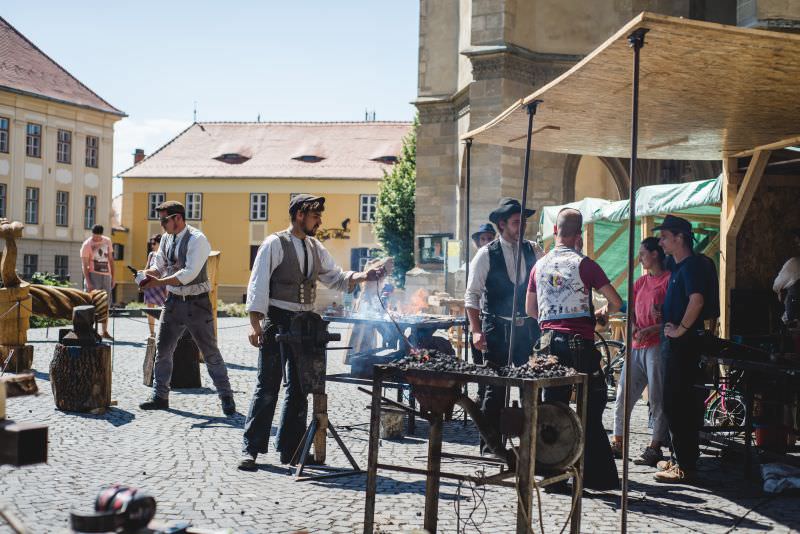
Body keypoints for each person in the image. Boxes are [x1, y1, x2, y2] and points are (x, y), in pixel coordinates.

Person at [239, 194, 384, 470]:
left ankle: (291, 450)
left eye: (319, 216)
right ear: (299, 215)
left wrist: (365, 276)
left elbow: (336, 277)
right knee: (267, 386)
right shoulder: (274, 243)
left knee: (299, 389)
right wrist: (255, 324)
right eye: (315, 216)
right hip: (277, 320)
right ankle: (251, 449)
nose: (319, 221)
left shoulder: (315, 247)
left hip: (304, 323)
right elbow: (258, 284)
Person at [526, 208, 621, 491]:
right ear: (578, 236)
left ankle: (552, 473)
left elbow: (531, 309)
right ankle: (596, 476)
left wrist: (554, 316)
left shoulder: (539, 266)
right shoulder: (585, 265)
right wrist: (601, 313)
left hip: (548, 344)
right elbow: (615, 301)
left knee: (553, 407)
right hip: (579, 343)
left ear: (555, 232)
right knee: (590, 406)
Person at [137, 201, 235, 417]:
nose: (161, 224)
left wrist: (157, 283)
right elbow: (160, 265)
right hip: (173, 301)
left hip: (197, 303)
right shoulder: (166, 238)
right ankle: (160, 396)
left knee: (210, 353)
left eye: (164, 220)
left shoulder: (198, 240)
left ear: (178, 218)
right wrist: (147, 274)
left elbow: (188, 274)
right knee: (163, 350)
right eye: (161, 220)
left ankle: (226, 397)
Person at [465, 198, 542, 456]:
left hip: (527, 330)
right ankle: (490, 445)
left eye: (523, 222)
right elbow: (472, 295)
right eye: (516, 222)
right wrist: (476, 330)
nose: (522, 227)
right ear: (502, 224)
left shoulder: (534, 250)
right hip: (496, 329)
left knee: (530, 386)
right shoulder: (486, 254)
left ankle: (532, 444)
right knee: (494, 389)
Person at [654, 215, 707, 483]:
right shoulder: (677, 267)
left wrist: (680, 330)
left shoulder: (691, 267)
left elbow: (697, 301)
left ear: (679, 238)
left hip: (683, 345)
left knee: (679, 403)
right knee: (673, 402)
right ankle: (679, 458)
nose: (660, 242)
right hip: (674, 344)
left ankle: (685, 465)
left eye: (664, 237)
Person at [610, 237, 670, 467]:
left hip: (656, 347)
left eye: (643, 253)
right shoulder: (640, 283)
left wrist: (654, 328)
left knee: (657, 397)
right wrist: (634, 326)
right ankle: (618, 442)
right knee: (623, 393)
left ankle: (655, 446)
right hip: (636, 347)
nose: (640, 258)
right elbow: (632, 313)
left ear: (655, 254)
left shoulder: (668, 281)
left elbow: (672, 317)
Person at [469, 222, 496, 400]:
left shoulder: (496, 258)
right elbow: (471, 293)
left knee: (491, 360)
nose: (486, 241)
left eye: (489, 238)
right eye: (483, 239)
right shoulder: (476, 261)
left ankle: (489, 393)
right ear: (477, 242)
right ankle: (481, 392)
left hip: (491, 315)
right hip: (478, 314)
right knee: (478, 358)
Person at [80, 224, 115, 340]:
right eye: (95, 237)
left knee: (106, 304)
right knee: (92, 303)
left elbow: (111, 260)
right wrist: (88, 282)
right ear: (92, 234)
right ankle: (90, 330)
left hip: (106, 276)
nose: (97, 239)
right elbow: (84, 266)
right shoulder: (87, 245)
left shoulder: (107, 241)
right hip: (93, 276)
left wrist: (113, 277)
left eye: (99, 237)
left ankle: (104, 331)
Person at [143, 234, 168, 337]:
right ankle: (152, 333)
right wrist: (142, 279)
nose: (152, 246)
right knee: (150, 308)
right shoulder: (151, 254)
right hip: (150, 284)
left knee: (164, 308)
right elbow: (147, 267)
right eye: (151, 244)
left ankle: (163, 332)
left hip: (162, 283)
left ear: (160, 243)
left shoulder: (165, 254)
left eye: (154, 243)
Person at [773, 229, 800, 327]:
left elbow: (776, 286)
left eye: (798, 243)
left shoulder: (794, 263)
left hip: (794, 321)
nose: (797, 245)